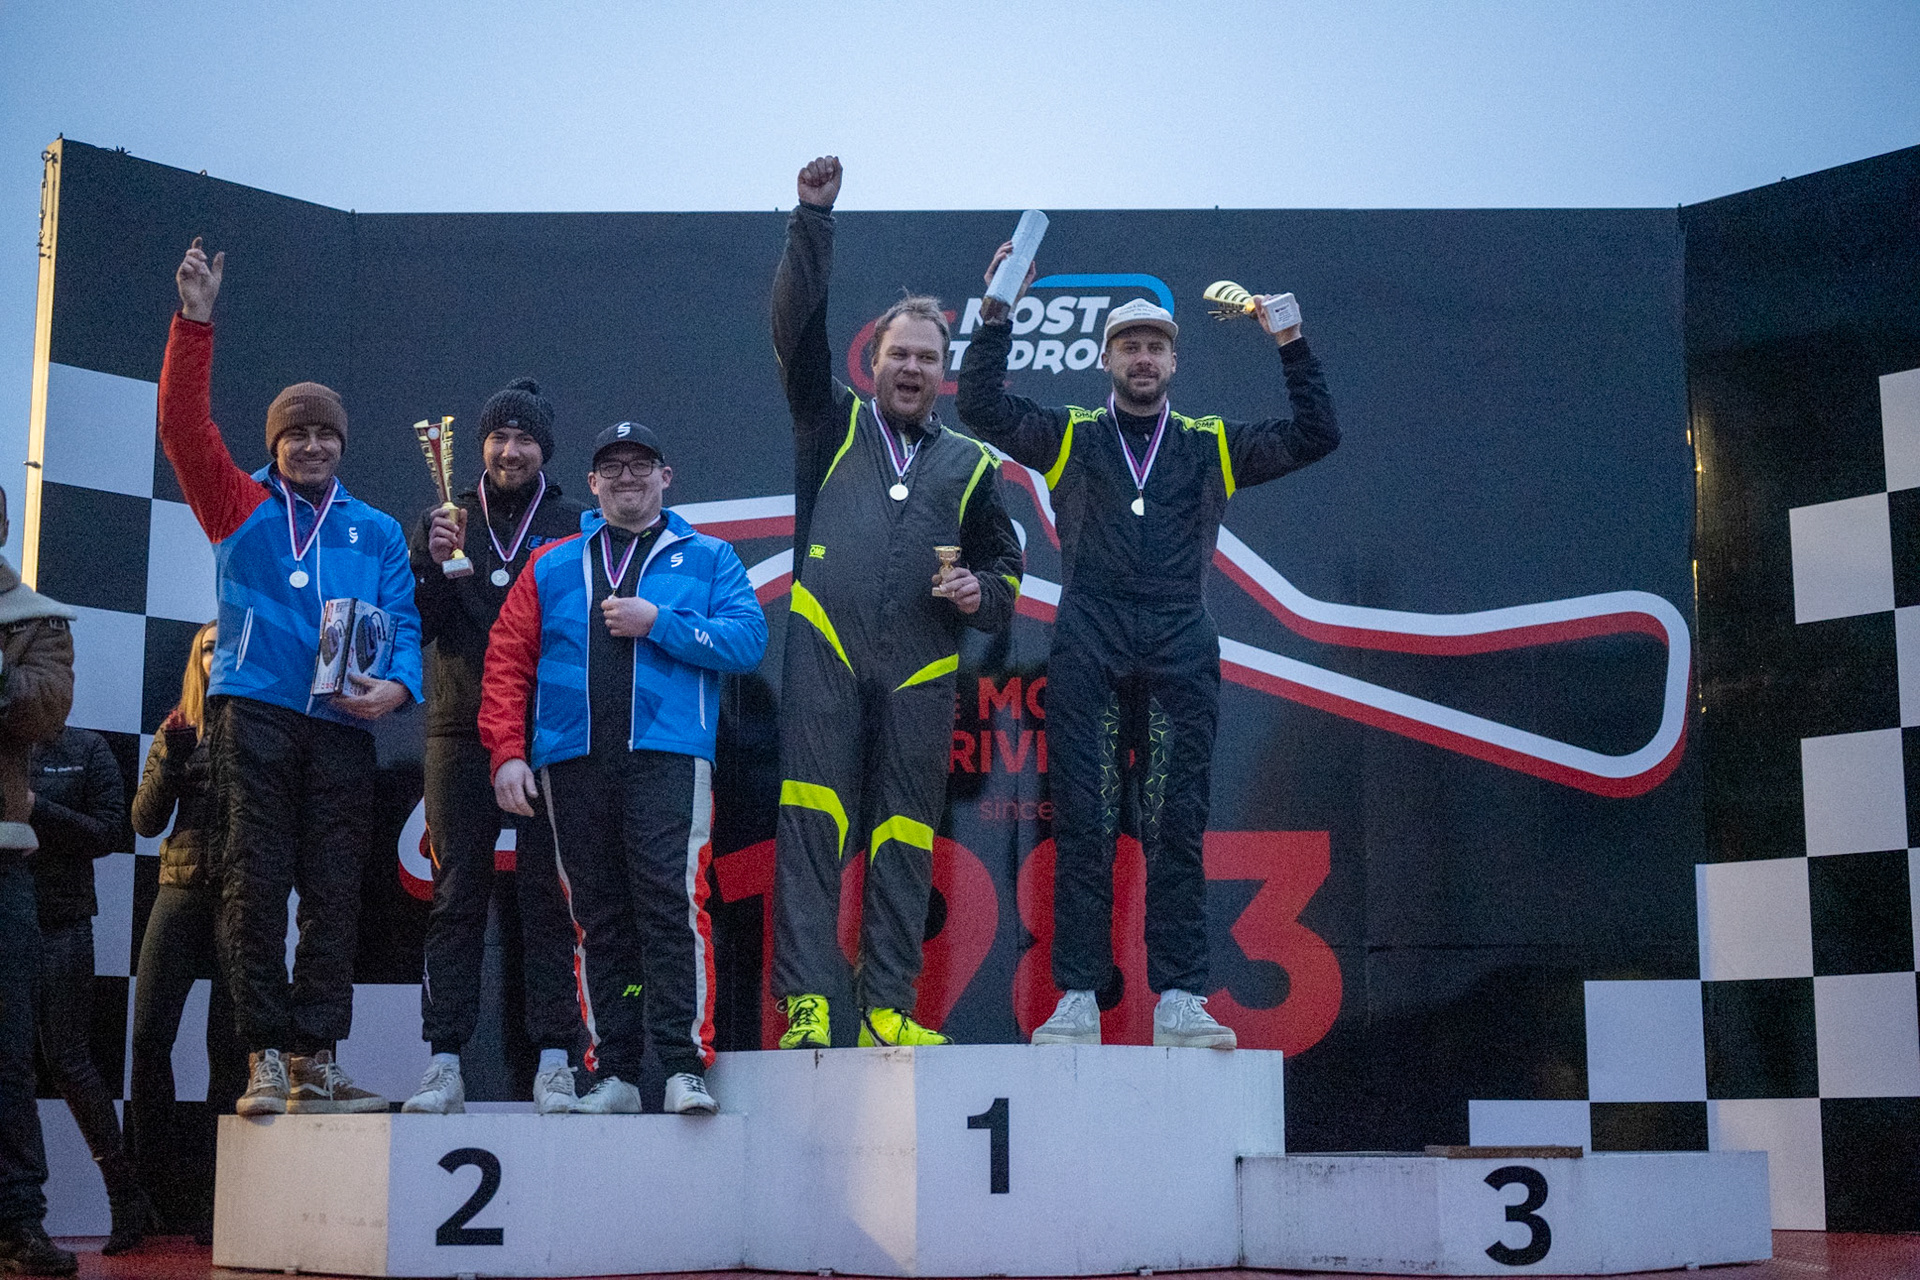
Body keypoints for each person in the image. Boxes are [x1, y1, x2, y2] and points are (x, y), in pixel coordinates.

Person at [958, 247, 1339, 1048]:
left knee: (1176, 825)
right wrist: (998, 308)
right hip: (1090, 642)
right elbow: (983, 406)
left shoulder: (1210, 443)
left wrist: (1291, 342)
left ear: (1173, 362)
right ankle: (1076, 998)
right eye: (1128, 345)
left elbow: (1317, 435)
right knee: (1086, 825)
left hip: (1179, 646)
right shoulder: (1071, 436)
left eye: (1155, 346)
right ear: (1106, 360)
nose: (1142, 357)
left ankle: (1181, 1000)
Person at [160, 238, 423, 1116]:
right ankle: (263, 1055)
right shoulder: (237, 504)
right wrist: (195, 321)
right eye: (295, 433)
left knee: (336, 897)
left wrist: (398, 688)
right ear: (275, 443)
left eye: (324, 433)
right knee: (254, 886)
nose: (310, 445)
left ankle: (316, 1056)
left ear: (341, 443)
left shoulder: (376, 529)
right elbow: (183, 430)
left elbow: (403, 620)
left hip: (344, 725)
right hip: (256, 716)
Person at [768, 156, 1024, 1049]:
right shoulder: (829, 421)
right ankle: (807, 1004)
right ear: (872, 361)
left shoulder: (973, 464)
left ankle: (886, 1007)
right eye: (899, 354)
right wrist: (813, 219)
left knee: (906, 835)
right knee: (811, 821)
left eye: (926, 358)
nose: (911, 368)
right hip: (826, 645)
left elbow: (1007, 574)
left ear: (944, 372)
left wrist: (979, 592)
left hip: (922, 662)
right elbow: (796, 329)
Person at [480, 422, 766, 1114]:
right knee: (596, 919)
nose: (627, 477)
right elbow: (508, 660)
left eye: (641, 465)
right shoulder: (550, 563)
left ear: (666, 477)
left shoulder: (710, 556)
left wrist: (658, 621)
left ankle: (683, 1067)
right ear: (592, 483)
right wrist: (508, 751)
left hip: (668, 758)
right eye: (613, 467)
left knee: (672, 909)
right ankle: (614, 1073)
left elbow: (748, 640)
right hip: (571, 762)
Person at [403, 379, 590, 1116]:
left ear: (545, 448)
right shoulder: (444, 520)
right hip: (458, 730)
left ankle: (556, 1059)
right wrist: (429, 564)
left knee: (549, 897)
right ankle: (444, 1059)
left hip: (548, 736)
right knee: (456, 895)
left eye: (525, 439)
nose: (511, 451)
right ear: (480, 445)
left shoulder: (573, 524)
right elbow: (417, 627)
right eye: (499, 437)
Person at [127, 620, 242, 1245]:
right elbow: (144, 823)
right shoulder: (177, 726)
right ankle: (151, 1194)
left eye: (224, 646)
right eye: (206, 647)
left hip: (238, 897)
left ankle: (218, 1200)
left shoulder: (257, 724)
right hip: (179, 887)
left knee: (228, 1051)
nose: (214, 656)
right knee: (148, 1039)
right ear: (194, 660)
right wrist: (172, 760)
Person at [27, 722, 145, 1254]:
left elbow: (109, 833)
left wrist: (36, 808)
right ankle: (21, 1217)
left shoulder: (87, 747)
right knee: (11, 1067)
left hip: (62, 920)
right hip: (10, 917)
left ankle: (126, 1197)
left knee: (69, 1062)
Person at [0, 484, 78, 1277]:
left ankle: (17, 1222)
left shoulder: (36, 620)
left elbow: (44, 712)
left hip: (3, 863)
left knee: (6, 1051)